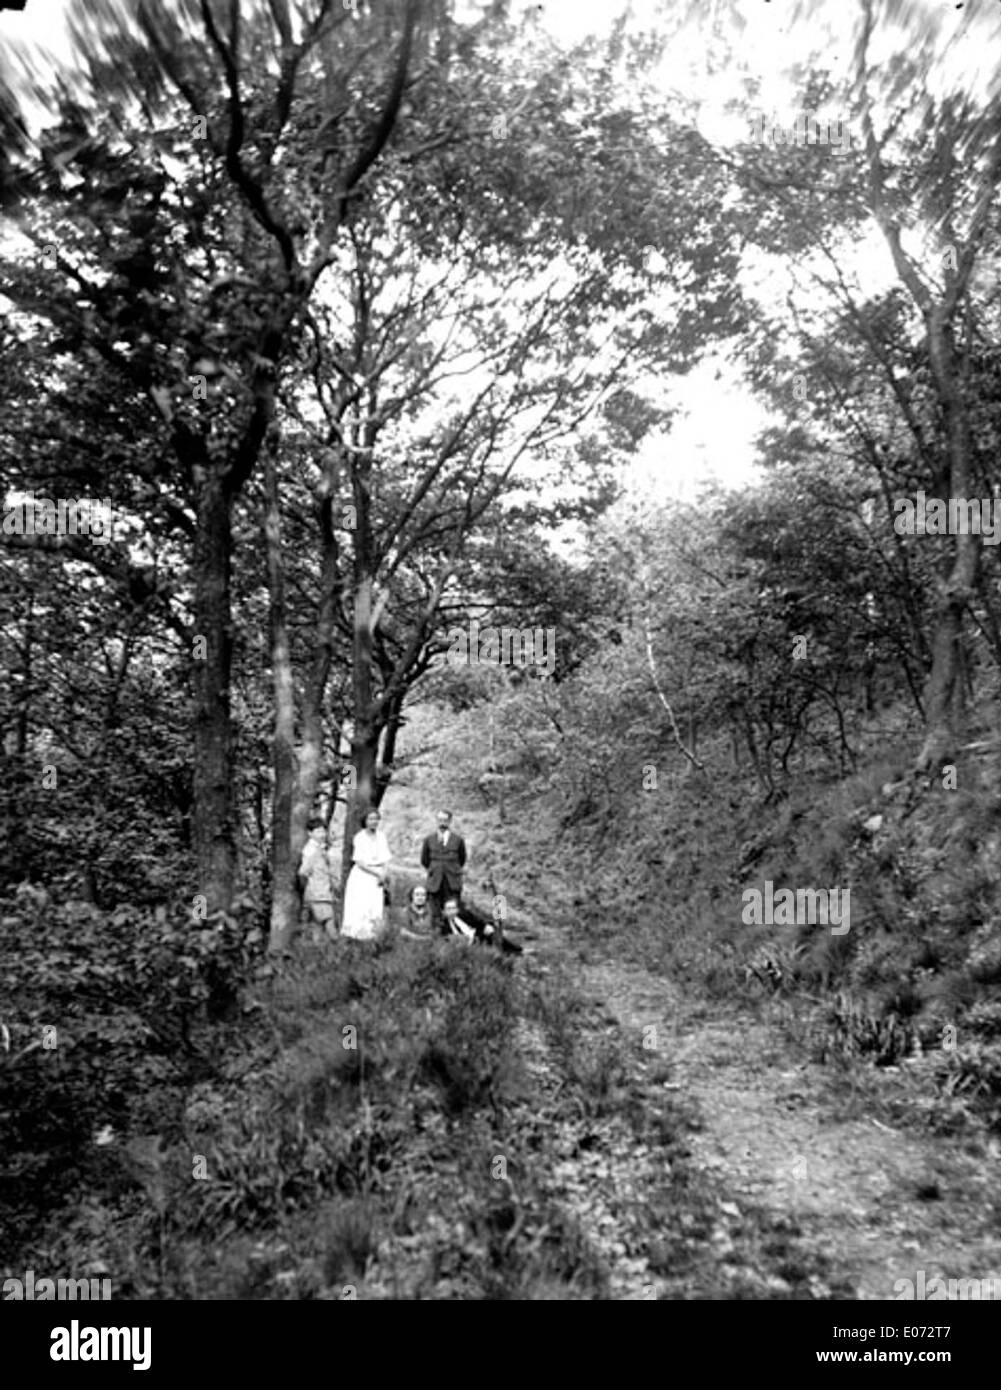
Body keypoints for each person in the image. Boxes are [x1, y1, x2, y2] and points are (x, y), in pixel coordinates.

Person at [340, 808, 391, 941]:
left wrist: (384, 873)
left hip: (378, 876)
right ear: (365, 821)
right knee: (360, 907)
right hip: (363, 875)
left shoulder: (382, 836)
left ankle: (373, 938)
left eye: (376, 819)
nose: (374, 822)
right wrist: (376, 873)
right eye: (370, 819)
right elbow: (360, 861)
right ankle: (356, 938)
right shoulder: (359, 837)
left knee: (375, 907)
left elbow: (386, 857)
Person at [420, 809, 467, 935]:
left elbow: (462, 859)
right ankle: (436, 938)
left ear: (450, 821)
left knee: (453, 911)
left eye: (445, 820)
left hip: (452, 882)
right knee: (435, 912)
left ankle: (454, 937)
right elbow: (424, 860)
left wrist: (451, 869)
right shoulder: (429, 840)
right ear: (436, 821)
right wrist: (435, 870)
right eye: (440, 820)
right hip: (435, 882)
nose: (442, 823)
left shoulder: (458, 840)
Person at [298, 816, 335, 936]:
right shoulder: (311, 850)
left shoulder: (320, 848)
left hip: (323, 891)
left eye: (324, 830)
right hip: (318, 892)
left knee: (317, 926)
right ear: (310, 833)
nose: (322, 834)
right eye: (318, 831)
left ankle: (316, 951)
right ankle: (339, 948)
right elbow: (303, 871)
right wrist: (309, 886)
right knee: (329, 923)